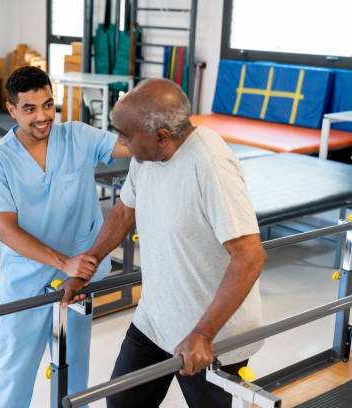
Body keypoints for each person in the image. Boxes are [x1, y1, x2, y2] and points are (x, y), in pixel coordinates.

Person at [62, 78, 266, 407]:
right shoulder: (145, 157)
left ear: (162, 137)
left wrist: (203, 333)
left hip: (213, 335)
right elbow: (123, 212)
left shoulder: (211, 166)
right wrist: (88, 264)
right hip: (155, 320)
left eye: (126, 135)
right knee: (122, 403)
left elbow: (250, 256)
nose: (120, 141)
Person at [0, 66, 130, 408]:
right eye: (30, 109)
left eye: (48, 105)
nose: (42, 117)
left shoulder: (77, 136)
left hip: (76, 281)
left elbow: (131, 147)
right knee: (11, 376)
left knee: (74, 374)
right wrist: (65, 261)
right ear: (11, 110)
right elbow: (6, 230)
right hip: (26, 281)